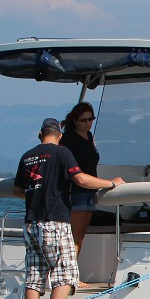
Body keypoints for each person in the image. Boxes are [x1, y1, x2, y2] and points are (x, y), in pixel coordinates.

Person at [12, 118, 125, 299]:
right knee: (66, 274)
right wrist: (111, 184)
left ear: (39, 134)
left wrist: (39, 195)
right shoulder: (62, 154)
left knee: (34, 278)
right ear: (59, 134)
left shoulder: (27, 156)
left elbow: (17, 190)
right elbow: (81, 179)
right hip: (55, 222)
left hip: (31, 223)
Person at [60, 102, 101, 269]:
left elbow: (91, 165)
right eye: (84, 120)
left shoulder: (89, 136)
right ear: (75, 121)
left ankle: (71, 272)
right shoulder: (69, 139)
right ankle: (69, 274)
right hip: (75, 191)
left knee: (80, 236)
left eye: (90, 119)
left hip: (89, 191)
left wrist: (95, 189)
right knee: (73, 236)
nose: (87, 123)